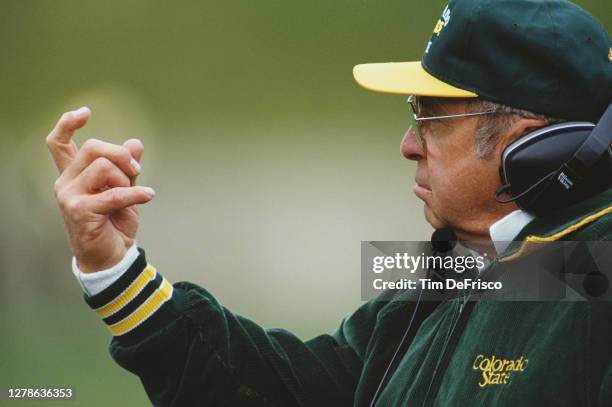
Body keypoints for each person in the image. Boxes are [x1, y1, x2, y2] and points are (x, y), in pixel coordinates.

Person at [46, 0, 612, 405]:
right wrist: (115, 268)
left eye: (432, 116)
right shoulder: (455, 272)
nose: (408, 144)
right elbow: (276, 390)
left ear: (529, 144)